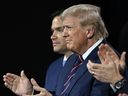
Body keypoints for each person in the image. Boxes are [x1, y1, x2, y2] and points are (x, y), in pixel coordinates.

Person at [3, 10, 76, 96]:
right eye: (52, 31)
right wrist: (30, 93)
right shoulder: (53, 67)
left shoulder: (86, 63)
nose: (52, 36)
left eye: (59, 30)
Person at [55, 4, 116, 96]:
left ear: (89, 32)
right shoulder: (72, 59)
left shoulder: (107, 61)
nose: (64, 34)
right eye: (63, 29)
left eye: (69, 28)